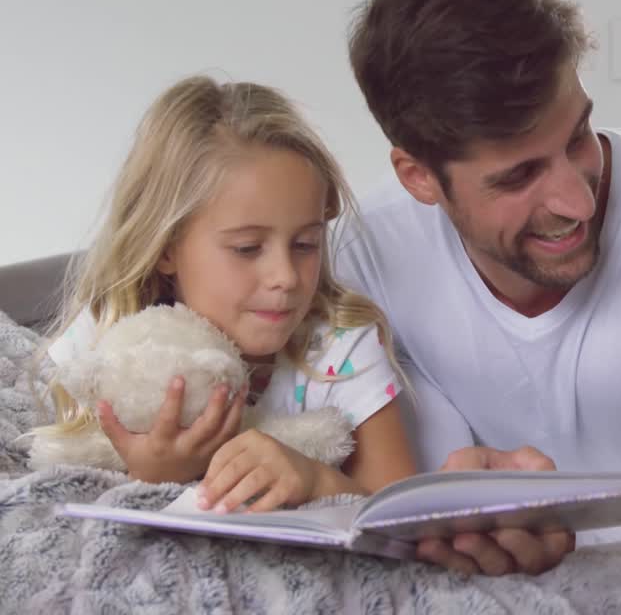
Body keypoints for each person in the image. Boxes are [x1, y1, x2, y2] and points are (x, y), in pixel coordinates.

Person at [337, 0, 621, 575]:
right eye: (519, 176)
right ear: (419, 177)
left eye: (578, 137)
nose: (578, 202)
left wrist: (564, 551)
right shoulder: (365, 262)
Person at [34, 75, 417, 514]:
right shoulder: (109, 336)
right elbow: (58, 486)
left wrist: (316, 480)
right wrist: (152, 476)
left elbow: (403, 513)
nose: (285, 277)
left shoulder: (339, 349)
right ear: (166, 248)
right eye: (247, 248)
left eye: (305, 244)